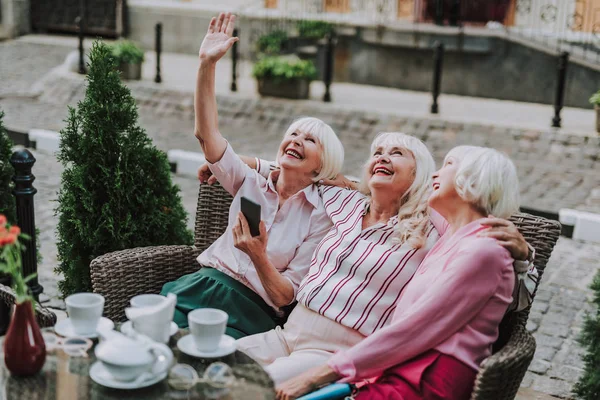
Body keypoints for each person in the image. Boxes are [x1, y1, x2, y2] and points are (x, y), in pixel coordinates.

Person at [230, 133, 533, 384]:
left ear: (420, 175)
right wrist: (248, 164)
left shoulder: (432, 223)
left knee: (244, 388)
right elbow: (301, 171)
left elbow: (482, 237)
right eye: (377, 152)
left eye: (397, 153)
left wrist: (523, 255)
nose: (382, 157)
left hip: (334, 354)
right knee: (207, 359)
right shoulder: (346, 202)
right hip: (286, 334)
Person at [160, 12, 345, 339]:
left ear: (321, 166)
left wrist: (258, 255)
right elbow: (207, 136)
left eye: (309, 139)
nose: (296, 140)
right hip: (204, 283)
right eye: (293, 134)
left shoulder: (321, 216)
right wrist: (207, 65)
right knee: (150, 337)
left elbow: (286, 297)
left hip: (252, 311)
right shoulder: (251, 182)